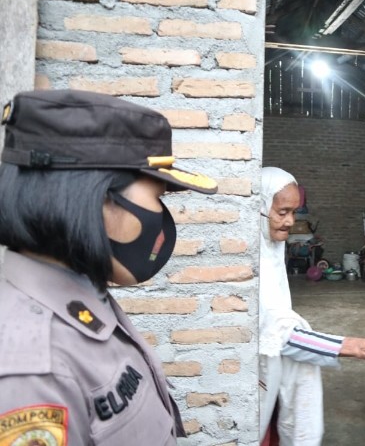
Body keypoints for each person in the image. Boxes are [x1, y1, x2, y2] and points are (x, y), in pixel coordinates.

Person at [0, 89, 219, 444]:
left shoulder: (82, 296)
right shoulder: (33, 370)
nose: (161, 219)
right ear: (101, 200)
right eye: (157, 198)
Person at [259, 167, 365, 446]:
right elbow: (276, 335)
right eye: (282, 212)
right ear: (258, 208)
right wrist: (356, 346)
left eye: (294, 212)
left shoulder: (271, 250)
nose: (290, 222)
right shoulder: (247, 266)